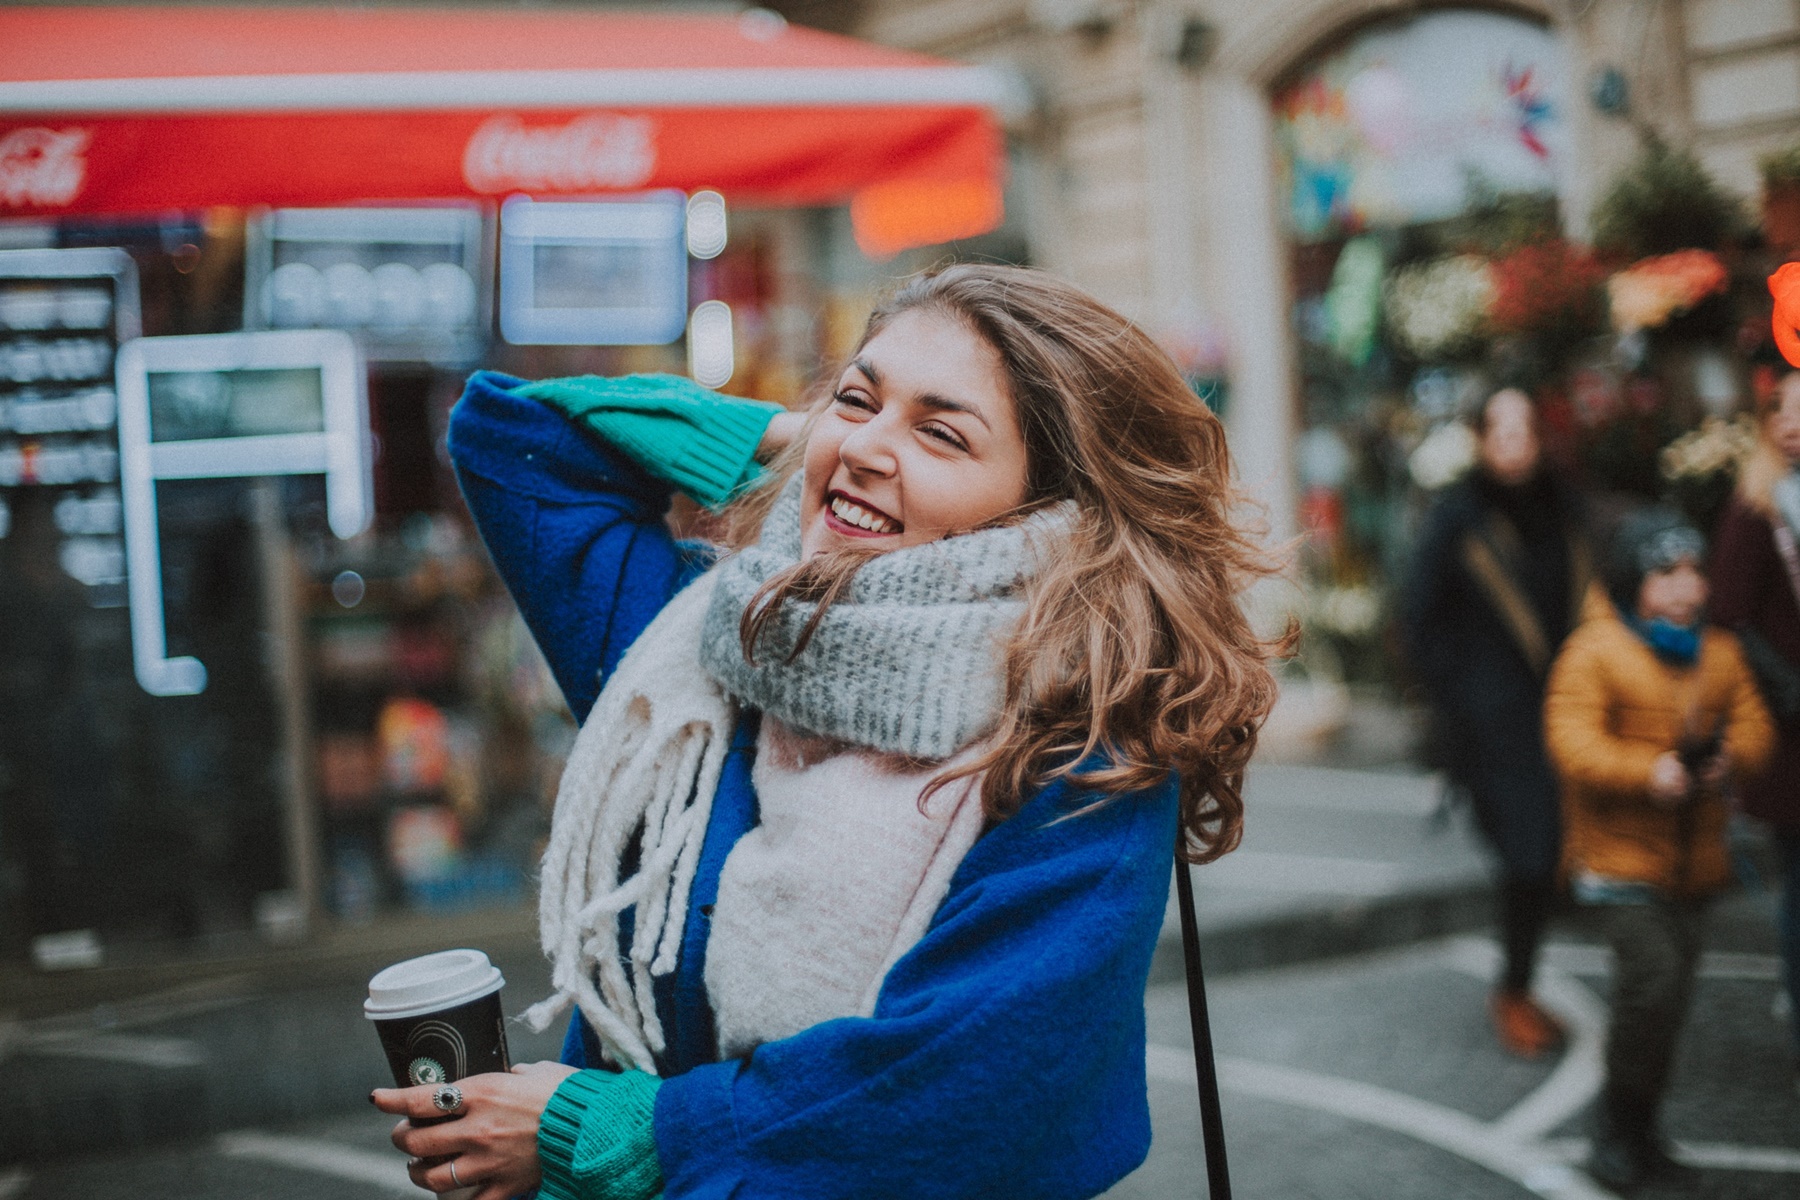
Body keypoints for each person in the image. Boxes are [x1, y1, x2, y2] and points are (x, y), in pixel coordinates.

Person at [371, 265, 1282, 1199]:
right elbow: (516, 437)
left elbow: (971, 1092)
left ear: (1049, 507)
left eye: (941, 431)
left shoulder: (1081, 743)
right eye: (858, 396)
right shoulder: (707, 643)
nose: (869, 445)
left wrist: (621, 1133)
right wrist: (811, 443)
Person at [1544, 506, 1773, 1192]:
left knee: (1670, 1003)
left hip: (1694, 865)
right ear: (1629, 580)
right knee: (1652, 985)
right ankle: (1616, 1129)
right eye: (1665, 572)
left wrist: (1728, 759)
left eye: (1693, 570)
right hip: (1618, 864)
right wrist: (1651, 771)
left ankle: (1640, 1130)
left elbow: (1758, 725)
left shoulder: (1721, 653)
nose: (1685, 587)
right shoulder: (1597, 649)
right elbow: (1571, 741)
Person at [1399, 387, 1596, 1058]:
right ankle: (1513, 992)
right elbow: (1418, 619)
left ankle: (1520, 984)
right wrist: (1462, 694)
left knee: (1547, 857)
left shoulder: (1566, 512)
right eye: (1499, 429)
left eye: (1524, 427)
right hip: (1493, 727)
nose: (1513, 441)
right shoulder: (1459, 517)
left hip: (1567, 710)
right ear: (1481, 440)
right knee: (1528, 855)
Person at [1709, 368, 1800, 1091]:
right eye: (1784, 410)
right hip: (1791, 724)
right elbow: (1730, 614)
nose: (1795, 422)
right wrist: (1783, 688)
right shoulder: (1754, 507)